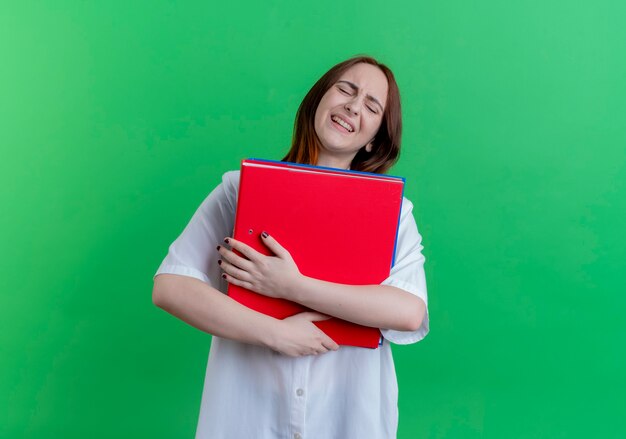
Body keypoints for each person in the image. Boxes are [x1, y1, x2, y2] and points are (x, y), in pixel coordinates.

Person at [153, 55, 429, 439]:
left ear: (374, 139)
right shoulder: (239, 190)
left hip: (346, 416)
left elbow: (409, 310)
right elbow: (171, 286)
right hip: (246, 411)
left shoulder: (395, 213)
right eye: (346, 90)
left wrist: (290, 285)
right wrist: (275, 333)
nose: (353, 105)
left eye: (371, 105)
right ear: (318, 100)